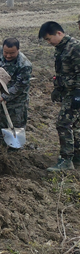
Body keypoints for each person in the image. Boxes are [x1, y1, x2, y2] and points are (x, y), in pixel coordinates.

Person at [39, 21, 80, 171]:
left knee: (63, 124)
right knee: (75, 125)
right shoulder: (60, 48)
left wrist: (77, 94)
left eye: (49, 39)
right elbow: (62, 72)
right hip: (68, 91)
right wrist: (57, 88)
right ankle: (77, 156)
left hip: (75, 92)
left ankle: (66, 160)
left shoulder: (75, 47)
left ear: (59, 33)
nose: (49, 42)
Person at [0, 38, 32, 146]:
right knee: (1, 119)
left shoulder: (24, 65)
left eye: (12, 53)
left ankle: (14, 147)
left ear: (18, 50)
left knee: (16, 122)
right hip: (1, 91)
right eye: (6, 52)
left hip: (18, 98)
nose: (8, 56)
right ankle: (0, 144)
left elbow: (20, 86)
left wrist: (6, 96)